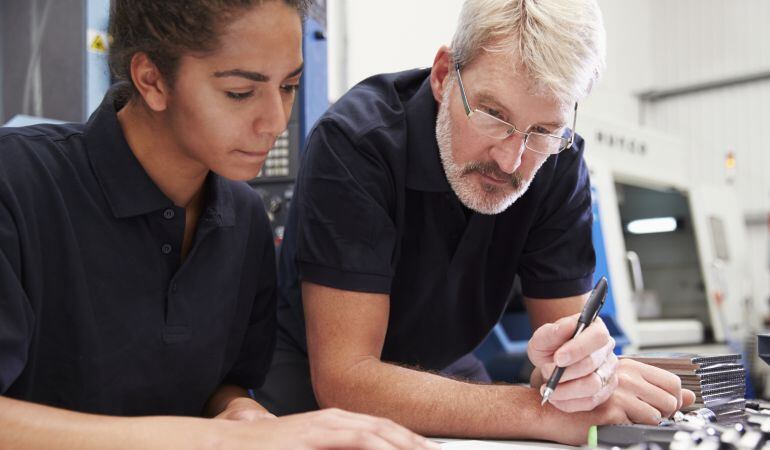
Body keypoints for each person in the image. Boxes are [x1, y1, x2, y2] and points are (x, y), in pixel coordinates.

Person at [254, 0, 696, 445]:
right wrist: (539, 414)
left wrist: (586, 373)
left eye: (543, 130)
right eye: (494, 115)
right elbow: (346, 378)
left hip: (444, 369)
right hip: (313, 381)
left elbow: (563, 360)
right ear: (444, 76)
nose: (512, 160)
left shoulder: (558, 163)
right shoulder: (357, 144)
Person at [0, 1, 436, 449]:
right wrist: (216, 441)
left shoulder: (244, 220)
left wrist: (240, 412)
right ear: (151, 80)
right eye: (240, 93)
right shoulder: (16, 182)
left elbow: (222, 385)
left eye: (289, 86)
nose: (276, 121)